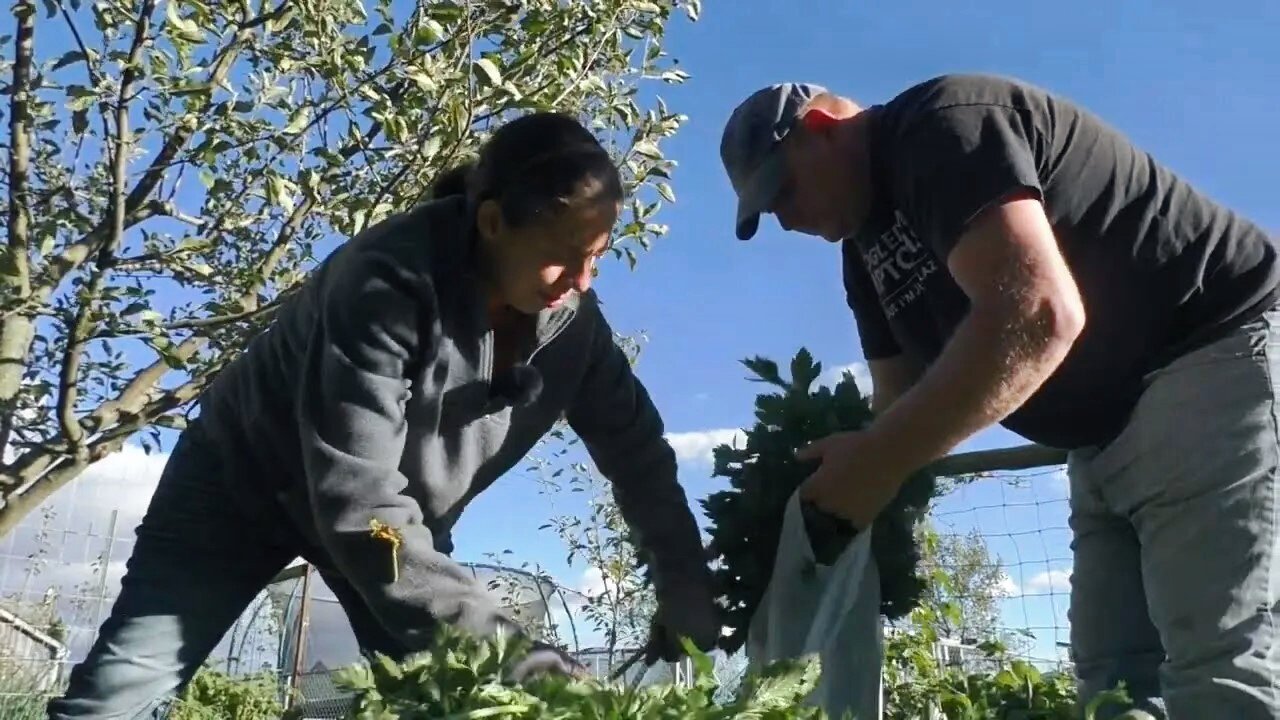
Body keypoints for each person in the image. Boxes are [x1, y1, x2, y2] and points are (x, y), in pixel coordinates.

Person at [48, 110, 720, 718]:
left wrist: (684, 582)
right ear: (491, 223)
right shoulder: (385, 282)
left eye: (596, 258)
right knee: (122, 690)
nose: (580, 283)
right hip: (241, 490)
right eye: (561, 259)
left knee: (451, 702)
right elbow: (357, 502)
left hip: (398, 529)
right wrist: (519, 654)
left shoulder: (574, 328)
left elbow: (639, 458)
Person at [717, 73, 1280, 720]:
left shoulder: (943, 127)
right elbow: (896, 402)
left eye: (784, 192)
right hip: (1100, 436)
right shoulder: (863, 252)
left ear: (822, 129)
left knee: (1217, 669)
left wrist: (879, 461)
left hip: (1206, 357)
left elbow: (1038, 314)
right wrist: (833, 507)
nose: (786, 220)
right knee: (1115, 682)